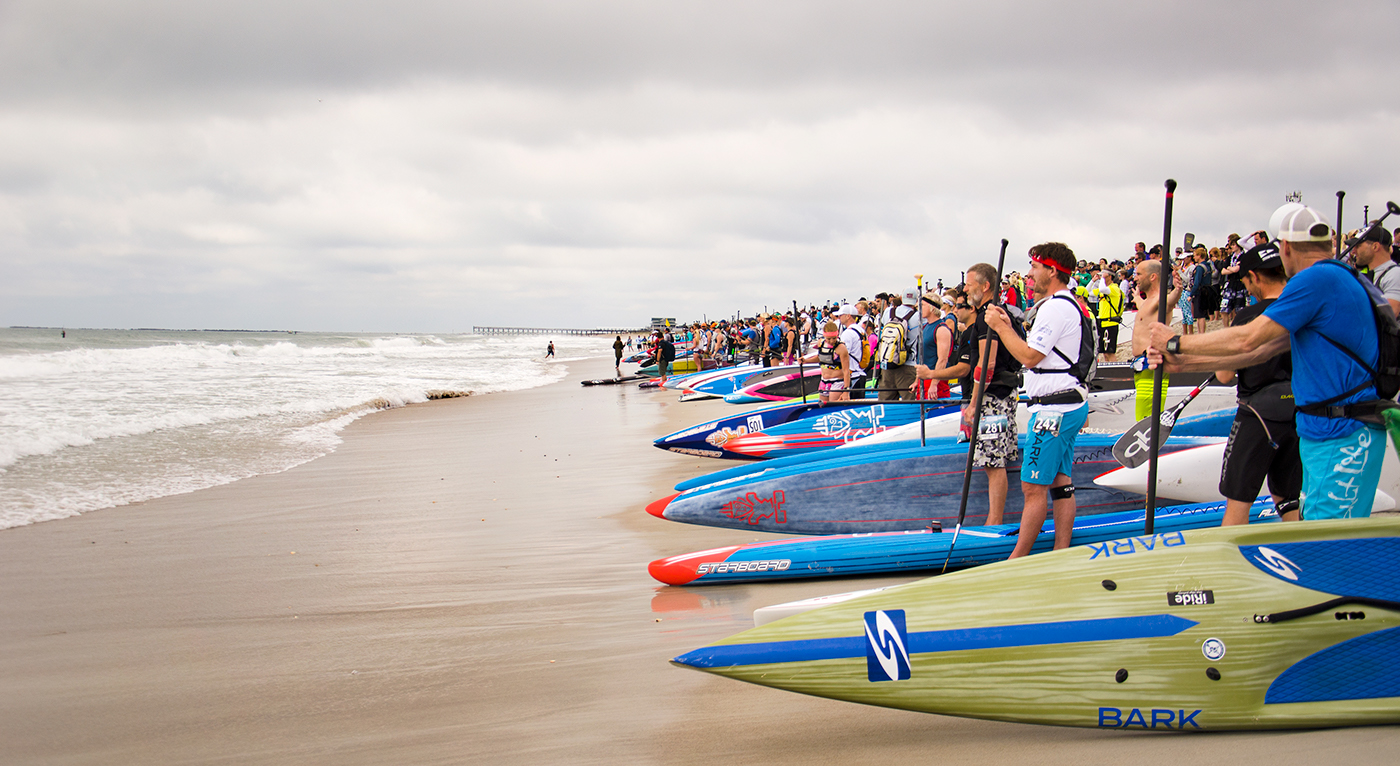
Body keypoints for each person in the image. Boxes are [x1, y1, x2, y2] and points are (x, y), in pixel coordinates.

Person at [1149, 204, 1385, 520]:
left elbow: (1250, 338)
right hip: (1330, 433)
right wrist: (1180, 362)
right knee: (1318, 536)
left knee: (1329, 548)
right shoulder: (1337, 278)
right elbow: (1262, 351)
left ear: (1284, 247)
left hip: (1341, 435)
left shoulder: (1316, 280)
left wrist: (1175, 341)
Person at [1153, 242, 1300, 526]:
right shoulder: (1302, 311)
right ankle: (1298, 559)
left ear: (1254, 277)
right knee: (1288, 499)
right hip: (1299, 412)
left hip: (1257, 416)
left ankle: (1230, 561)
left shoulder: (1248, 318)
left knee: (1238, 502)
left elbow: (1224, 376)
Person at [985, 242, 1090, 557]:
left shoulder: (1055, 307)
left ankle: (1018, 560)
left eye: (1034, 268)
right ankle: (1060, 551)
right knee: (1060, 481)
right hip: (1067, 402)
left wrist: (1002, 328)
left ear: (1052, 271)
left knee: (1032, 488)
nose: (1028, 275)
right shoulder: (1068, 303)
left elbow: (1030, 357)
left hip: (1054, 409)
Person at [1129, 259, 1179, 419]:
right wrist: (1136, 297)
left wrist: (1178, 290)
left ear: (1152, 277)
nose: (1134, 278)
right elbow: (1142, 305)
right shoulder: (1148, 302)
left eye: (1138, 274)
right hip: (1142, 365)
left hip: (1150, 364)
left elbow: (1170, 302)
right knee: (1144, 416)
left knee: (1146, 419)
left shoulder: (1160, 300)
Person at [875, 293, 920, 401]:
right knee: (910, 403)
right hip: (908, 365)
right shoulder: (918, 316)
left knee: (885, 403)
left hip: (887, 363)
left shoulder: (888, 312)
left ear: (901, 298)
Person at [1349, 226, 1400, 314]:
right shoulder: (1373, 274)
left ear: (1375, 246)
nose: (1353, 251)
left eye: (1358, 246)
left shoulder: (1394, 274)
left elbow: (1389, 316)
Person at [919, 290, 956, 400]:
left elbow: (942, 359)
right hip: (923, 379)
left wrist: (934, 384)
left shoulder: (941, 329)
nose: (919, 309)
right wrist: (917, 379)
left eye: (923, 305)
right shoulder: (925, 327)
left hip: (935, 380)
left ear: (932, 307)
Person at [807, 321, 851, 403]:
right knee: (822, 407)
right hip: (824, 381)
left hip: (837, 381)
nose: (831, 341)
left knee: (833, 405)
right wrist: (805, 361)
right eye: (829, 339)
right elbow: (820, 358)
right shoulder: (821, 343)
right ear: (824, 336)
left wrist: (846, 390)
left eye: (834, 338)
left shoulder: (841, 348)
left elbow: (846, 370)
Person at [835, 304, 869, 399]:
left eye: (840, 315)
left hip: (853, 376)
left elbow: (842, 354)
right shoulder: (861, 331)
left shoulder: (848, 333)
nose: (838, 317)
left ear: (848, 316)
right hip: (861, 373)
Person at [1090, 269, 1125, 363]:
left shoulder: (1114, 289)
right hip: (1102, 323)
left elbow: (1102, 289)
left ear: (1110, 276)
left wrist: (1102, 278)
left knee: (1110, 352)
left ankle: (1114, 371)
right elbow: (1087, 292)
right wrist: (1093, 280)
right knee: (1105, 352)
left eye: (1104, 275)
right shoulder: (1104, 290)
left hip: (1111, 323)